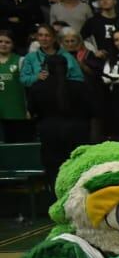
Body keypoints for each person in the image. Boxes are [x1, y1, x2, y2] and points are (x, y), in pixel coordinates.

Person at [20, 24, 90, 188]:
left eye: (47, 35)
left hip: (51, 128)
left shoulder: (66, 58)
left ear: (53, 38)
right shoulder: (31, 59)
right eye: (40, 35)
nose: (44, 38)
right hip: (73, 128)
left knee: (55, 167)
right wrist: (37, 79)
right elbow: (24, 79)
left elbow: (33, 110)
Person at [0, 30, 29, 143]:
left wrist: (28, 109)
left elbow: (27, 87)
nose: (3, 44)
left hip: (16, 112)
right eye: (0, 41)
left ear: (13, 45)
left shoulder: (20, 61)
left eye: (7, 42)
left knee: (15, 147)